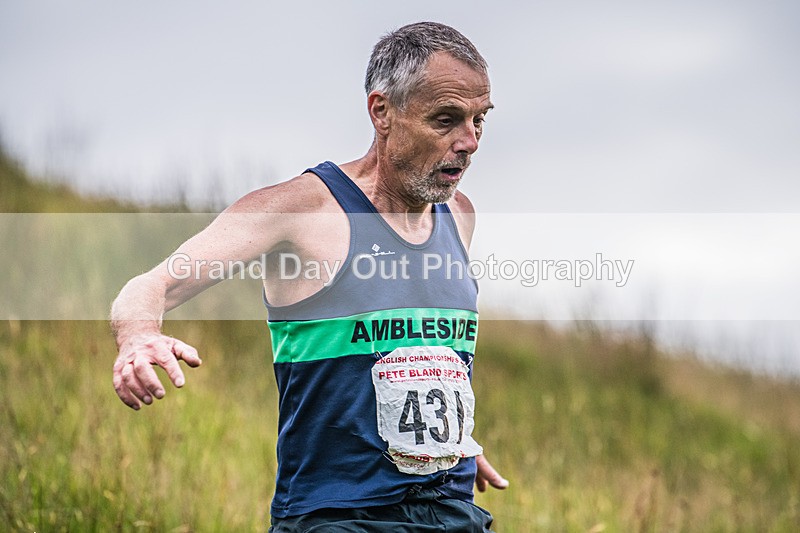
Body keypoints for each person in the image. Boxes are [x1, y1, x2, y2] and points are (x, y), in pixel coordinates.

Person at [111, 21, 508, 531]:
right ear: (381, 112)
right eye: (446, 120)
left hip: (452, 512)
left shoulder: (459, 215)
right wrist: (139, 335)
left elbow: (424, 354)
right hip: (340, 516)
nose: (469, 141)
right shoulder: (299, 212)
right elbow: (151, 284)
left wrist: (444, 443)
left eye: (480, 120)